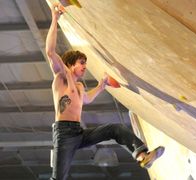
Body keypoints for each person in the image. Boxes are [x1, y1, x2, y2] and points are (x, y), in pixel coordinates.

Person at [46, 3, 164, 180]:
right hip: (64, 135)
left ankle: (142, 155)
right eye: (81, 63)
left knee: (114, 129)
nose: (85, 67)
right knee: (58, 178)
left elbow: (86, 99)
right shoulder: (61, 77)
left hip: (78, 132)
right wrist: (54, 19)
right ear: (70, 64)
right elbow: (49, 51)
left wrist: (102, 85)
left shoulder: (79, 87)